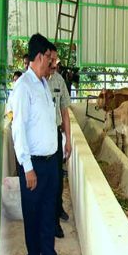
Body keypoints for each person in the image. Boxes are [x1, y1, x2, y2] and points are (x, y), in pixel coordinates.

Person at [8, 33, 73, 255]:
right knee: (33, 216)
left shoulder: (45, 83)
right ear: (39, 57)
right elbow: (18, 129)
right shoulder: (23, 87)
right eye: (50, 58)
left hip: (50, 162)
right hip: (34, 164)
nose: (53, 63)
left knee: (48, 215)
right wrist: (27, 168)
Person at [44, 47, 72, 238]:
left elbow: (64, 112)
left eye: (56, 61)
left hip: (54, 134)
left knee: (56, 180)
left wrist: (68, 140)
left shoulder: (59, 80)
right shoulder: (33, 82)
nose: (54, 65)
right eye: (51, 60)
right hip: (37, 137)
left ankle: (55, 220)